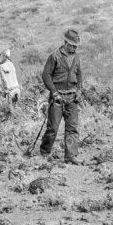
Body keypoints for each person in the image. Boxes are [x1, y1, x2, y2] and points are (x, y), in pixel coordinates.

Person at [39, 29, 84, 163]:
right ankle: (44, 152)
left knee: (72, 128)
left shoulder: (76, 56)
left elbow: (79, 73)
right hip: (57, 97)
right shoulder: (54, 56)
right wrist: (54, 92)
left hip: (72, 97)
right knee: (53, 128)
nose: (73, 48)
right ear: (65, 43)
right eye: (71, 45)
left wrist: (79, 90)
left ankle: (70, 156)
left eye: (75, 46)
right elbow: (46, 75)